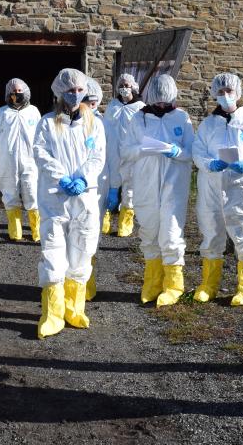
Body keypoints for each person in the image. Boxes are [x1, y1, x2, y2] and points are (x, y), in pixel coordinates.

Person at [32, 68, 106, 339]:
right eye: (70, 91)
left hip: (84, 197)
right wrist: (61, 178)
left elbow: (98, 156)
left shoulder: (94, 123)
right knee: (53, 250)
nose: (75, 95)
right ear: (59, 93)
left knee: (82, 249)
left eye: (79, 90)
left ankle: (74, 308)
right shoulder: (47, 122)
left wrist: (84, 179)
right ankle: (52, 313)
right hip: (55, 197)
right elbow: (40, 152)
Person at [192, 73, 243, 305]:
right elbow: (198, 152)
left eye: (229, 91)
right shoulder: (208, 125)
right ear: (215, 94)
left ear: (238, 92)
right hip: (212, 184)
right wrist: (208, 164)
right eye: (221, 92)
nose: (225, 96)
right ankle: (209, 284)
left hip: (241, 185)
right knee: (211, 230)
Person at [121, 74, 194, 307]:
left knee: (172, 234)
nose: (162, 105)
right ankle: (152, 283)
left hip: (174, 185)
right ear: (151, 98)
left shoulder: (182, 118)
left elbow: (192, 152)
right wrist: (144, 149)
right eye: (158, 101)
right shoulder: (138, 119)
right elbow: (126, 151)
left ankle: (173, 286)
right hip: (146, 184)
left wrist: (177, 152)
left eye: (166, 101)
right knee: (149, 232)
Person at [0, 78, 41, 242]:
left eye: (20, 91)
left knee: (32, 192)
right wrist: (7, 152)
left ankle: (37, 230)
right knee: (9, 191)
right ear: (8, 93)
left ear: (26, 91)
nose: (17, 94)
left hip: (30, 161)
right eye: (13, 91)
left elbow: (41, 136)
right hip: (8, 161)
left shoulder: (33, 112)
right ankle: (15, 230)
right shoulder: (2, 112)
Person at [105, 73, 145, 237]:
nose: (123, 88)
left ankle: (125, 223)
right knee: (108, 186)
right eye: (121, 84)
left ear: (133, 87)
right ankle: (104, 219)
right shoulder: (112, 105)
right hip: (112, 152)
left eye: (127, 85)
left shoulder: (140, 108)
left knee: (130, 188)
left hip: (131, 154)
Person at [83, 77, 107, 300]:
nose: (91, 105)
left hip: (100, 184)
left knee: (92, 234)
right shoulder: (70, 122)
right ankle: (77, 284)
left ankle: (88, 284)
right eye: (87, 101)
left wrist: (116, 184)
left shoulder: (103, 122)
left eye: (94, 101)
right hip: (77, 186)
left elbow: (110, 155)